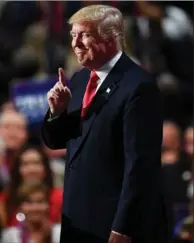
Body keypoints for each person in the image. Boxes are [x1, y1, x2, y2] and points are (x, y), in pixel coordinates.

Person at [42, 5, 169, 243]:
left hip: (113, 226)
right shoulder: (79, 80)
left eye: (85, 35)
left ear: (112, 37)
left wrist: (123, 228)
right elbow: (56, 142)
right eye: (73, 35)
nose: (76, 43)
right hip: (78, 222)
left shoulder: (139, 87)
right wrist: (56, 112)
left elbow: (141, 167)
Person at [0, 145, 63, 228]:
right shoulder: (5, 199)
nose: (32, 169)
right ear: (18, 170)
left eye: (36, 163)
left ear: (45, 168)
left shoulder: (60, 197)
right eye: (25, 164)